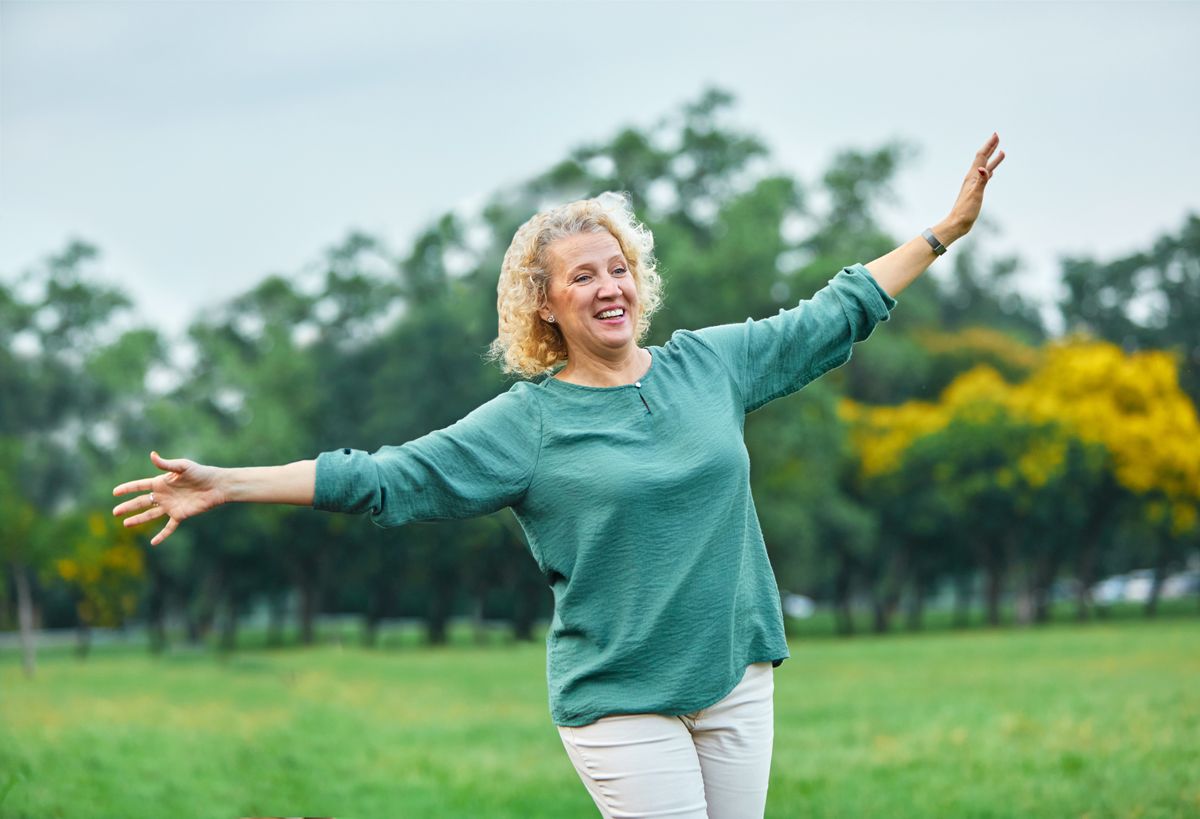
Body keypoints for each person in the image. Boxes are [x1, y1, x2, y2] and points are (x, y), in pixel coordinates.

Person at [114, 134, 1005, 818]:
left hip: (734, 675)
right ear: (546, 302)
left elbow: (832, 313)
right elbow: (388, 477)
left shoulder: (707, 366)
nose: (610, 287)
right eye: (584, 276)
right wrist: (229, 481)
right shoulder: (528, 422)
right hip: (619, 698)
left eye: (619, 268)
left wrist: (942, 232)